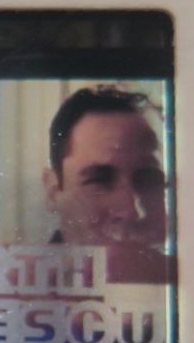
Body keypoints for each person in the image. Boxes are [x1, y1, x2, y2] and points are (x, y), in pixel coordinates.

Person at [44, 85, 172, 283]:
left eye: (149, 179)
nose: (131, 211)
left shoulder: (183, 282)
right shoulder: (17, 292)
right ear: (53, 191)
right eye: (99, 180)